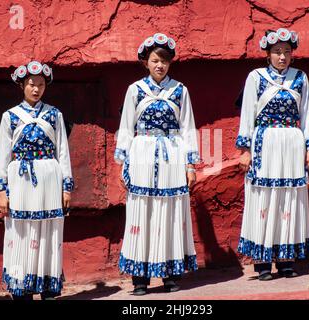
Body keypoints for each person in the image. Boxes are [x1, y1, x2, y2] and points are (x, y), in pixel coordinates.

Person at [114, 33, 200, 295]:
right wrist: (122, 160)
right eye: (154, 60)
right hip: (142, 154)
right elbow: (127, 127)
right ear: (146, 63)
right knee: (142, 212)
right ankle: (140, 277)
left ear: (170, 63)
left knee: (170, 212)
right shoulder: (135, 90)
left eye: (164, 60)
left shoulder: (180, 90)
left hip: (172, 155)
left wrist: (190, 164)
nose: (159, 65)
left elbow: (188, 128)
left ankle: (170, 274)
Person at [236, 28, 309, 280]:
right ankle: (262, 263)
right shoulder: (255, 77)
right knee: (264, 199)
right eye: (277, 52)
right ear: (268, 54)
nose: (282, 57)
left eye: (287, 52)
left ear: (292, 55)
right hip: (264, 143)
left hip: (292, 143)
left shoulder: (300, 78)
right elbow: (247, 113)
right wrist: (245, 149)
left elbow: (307, 114)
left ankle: (286, 260)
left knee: (289, 200)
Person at [0, 61, 74, 299]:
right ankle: (22, 287)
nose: (36, 89)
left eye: (41, 84)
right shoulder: (10, 117)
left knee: (48, 230)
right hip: (20, 180)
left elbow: (63, 151)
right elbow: (3, 156)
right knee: (20, 231)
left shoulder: (54, 115)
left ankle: (48, 285)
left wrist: (66, 187)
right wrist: (2, 191)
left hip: (50, 177)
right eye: (31, 84)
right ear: (22, 85)